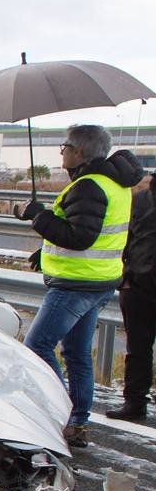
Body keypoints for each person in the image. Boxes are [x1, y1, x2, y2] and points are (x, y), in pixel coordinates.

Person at [15, 124, 146, 446]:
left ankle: (60, 411)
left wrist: (38, 216)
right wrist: (45, 248)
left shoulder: (88, 186)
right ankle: (78, 423)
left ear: (79, 151)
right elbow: (93, 233)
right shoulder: (114, 184)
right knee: (76, 353)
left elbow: (79, 237)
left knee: (38, 346)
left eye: (64, 146)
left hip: (76, 283)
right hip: (99, 279)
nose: (61, 151)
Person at [110, 174, 156, 419]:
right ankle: (135, 403)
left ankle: (136, 402)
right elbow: (123, 238)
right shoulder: (139, 199)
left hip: (139, 280)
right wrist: (125, 276)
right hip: (138, 284)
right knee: (137, 349)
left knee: (138, 349)